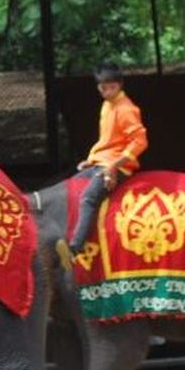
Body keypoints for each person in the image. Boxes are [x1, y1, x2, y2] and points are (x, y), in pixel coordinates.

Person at [67, 61, 149, 255]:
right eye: (104, 87)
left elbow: (140, 141)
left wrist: (113, 167)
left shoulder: (126, 109)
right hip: (102, 162)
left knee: (88, 198)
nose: (108, 91)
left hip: (118, 166)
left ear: (119, 85)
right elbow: (107, 140)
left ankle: (74, 248)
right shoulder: (107, 105)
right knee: (72, 186)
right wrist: (92, 159)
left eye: (112, 87)